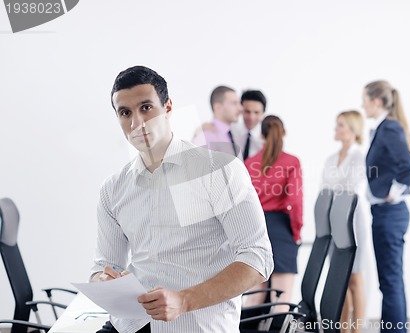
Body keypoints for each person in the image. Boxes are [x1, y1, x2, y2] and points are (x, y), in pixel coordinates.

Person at [90, 66, 274, 333]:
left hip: (194, 325)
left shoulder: (219, 170)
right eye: (125, 113)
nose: (137, 123)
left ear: (168, 107)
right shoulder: (113, 189)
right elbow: (105, 265)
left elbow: (258, 258)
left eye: (146, 108)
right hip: (130, 325)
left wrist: (183, 300)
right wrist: (102, 280)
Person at [362, 80, 410, 333]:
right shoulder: (384, 128)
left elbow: (407, 164)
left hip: (390, 214)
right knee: (389, 281)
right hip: (385, 214)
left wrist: (393, 193)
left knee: (391, 281)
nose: (362, 105)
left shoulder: (389, 127)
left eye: (364, 99)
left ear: (376, 101)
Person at [244, 115, 303, 312]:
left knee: (253, 301)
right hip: (281, 230)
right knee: (281, 302)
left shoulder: (249, 163)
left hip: (254, 230)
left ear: (261, 134)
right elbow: (294, 201)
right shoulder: (292, 162)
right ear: (283, 133)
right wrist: (295, 232)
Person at [321, 110, 368, 333]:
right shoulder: (331, 159)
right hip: (332, 218)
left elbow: (351, 187)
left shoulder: (360, 156)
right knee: (339, 278)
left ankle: (357, 330)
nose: (336, 129)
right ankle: (343, 329)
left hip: (352, 219)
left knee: (355, 277)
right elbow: (325, 191)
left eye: (341, 125)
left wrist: (334, 190)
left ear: (353, 129)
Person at [192, 85, 243, 158]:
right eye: (234, 103)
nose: (240, 108)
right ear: (217, 107)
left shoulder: (235, 134)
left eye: (239, 103)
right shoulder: (205, 137)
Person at [232, 90, 266, 160]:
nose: (251, 117)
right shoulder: (231, 131)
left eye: (256, 112)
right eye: (247, 111)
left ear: (263, 113)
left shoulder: (268, 138)